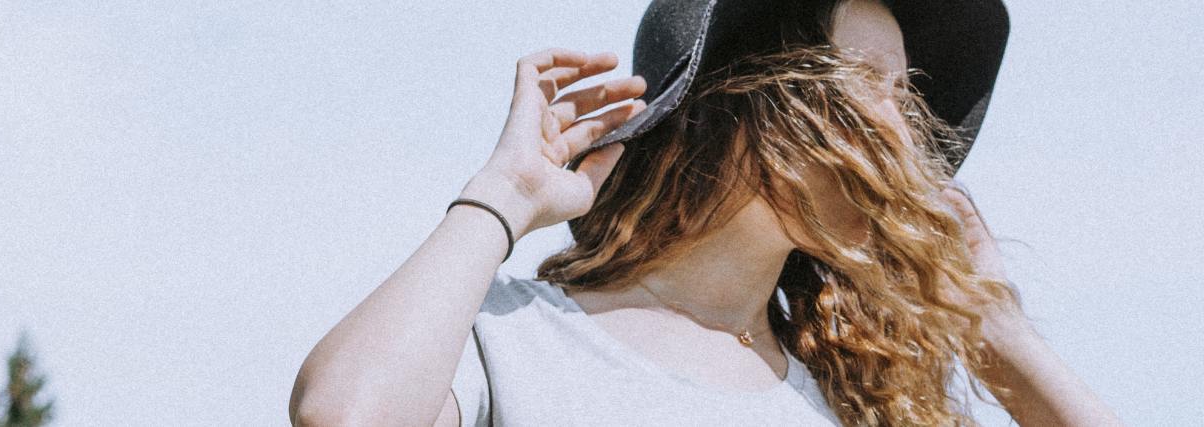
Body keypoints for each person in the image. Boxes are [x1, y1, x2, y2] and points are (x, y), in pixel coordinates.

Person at [288, 0, 1125, 425]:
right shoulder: (514, 338)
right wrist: (504, 196)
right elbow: (346, 414)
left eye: (909, 101)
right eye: (870, 82)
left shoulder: (861, 402)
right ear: (740, 92)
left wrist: (991, 326)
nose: (903, 134)